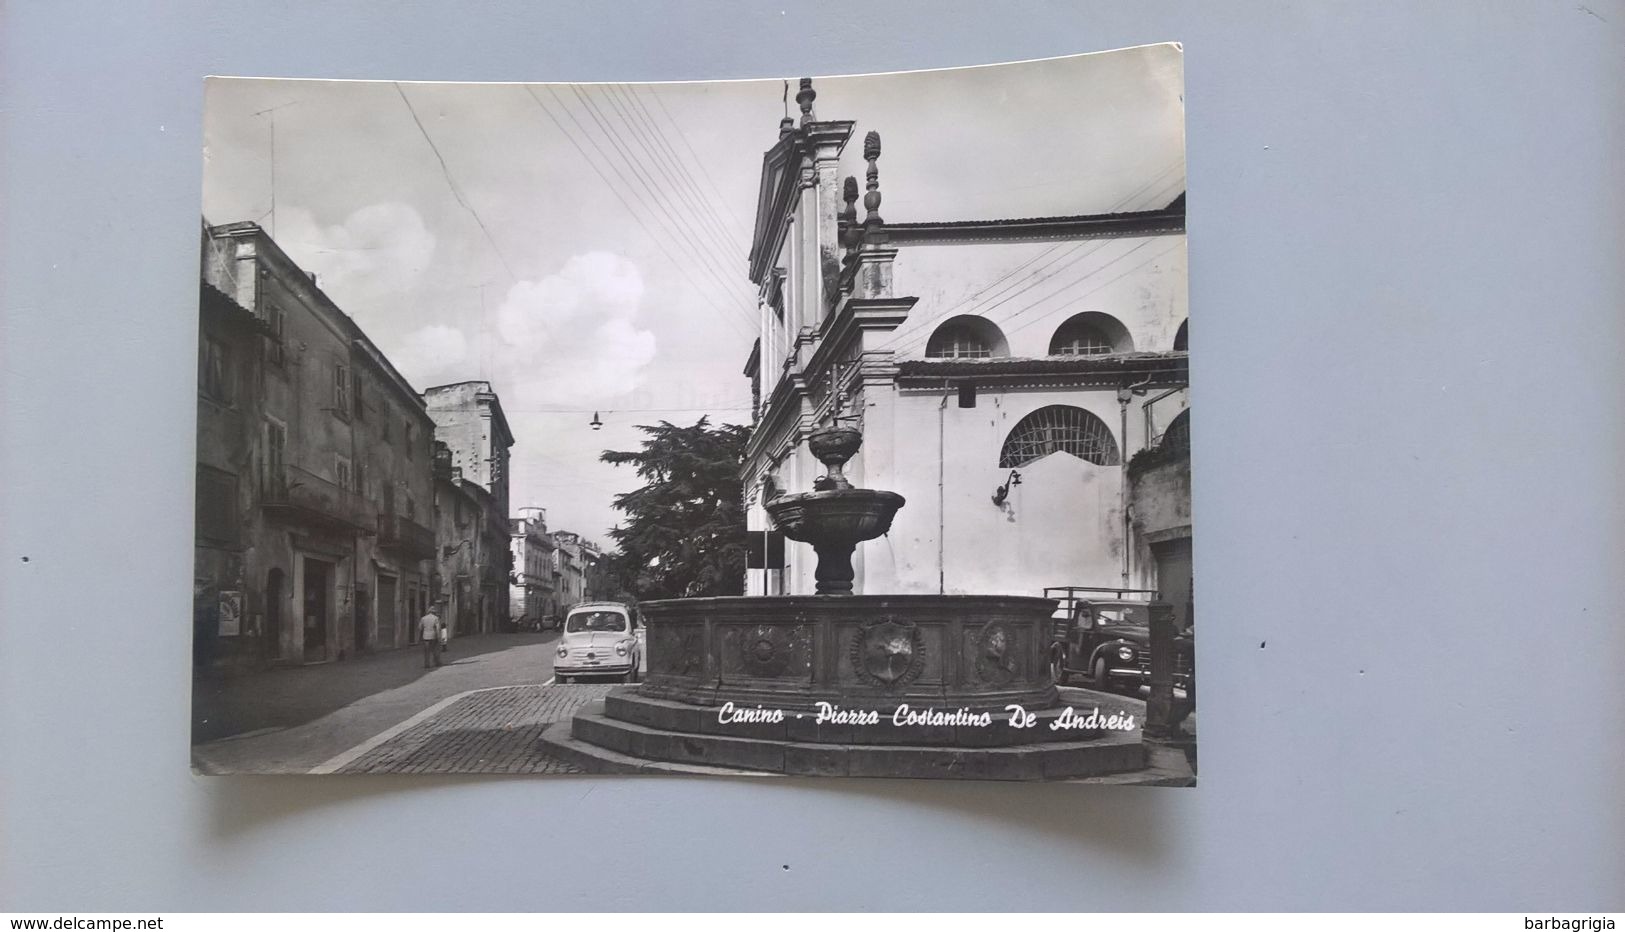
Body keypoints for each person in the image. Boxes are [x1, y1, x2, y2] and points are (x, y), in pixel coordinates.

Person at [419, 603, 443, 668]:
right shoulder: (436, 618)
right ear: (434, 612)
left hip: (425, 636)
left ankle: (427, 664)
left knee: (426, 651)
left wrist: (422, 634)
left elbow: (420, 627)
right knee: (435, 650)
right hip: (433, 636)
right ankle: (436, 662)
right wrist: (439, 637)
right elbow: (438, 628)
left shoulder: (423, 618)